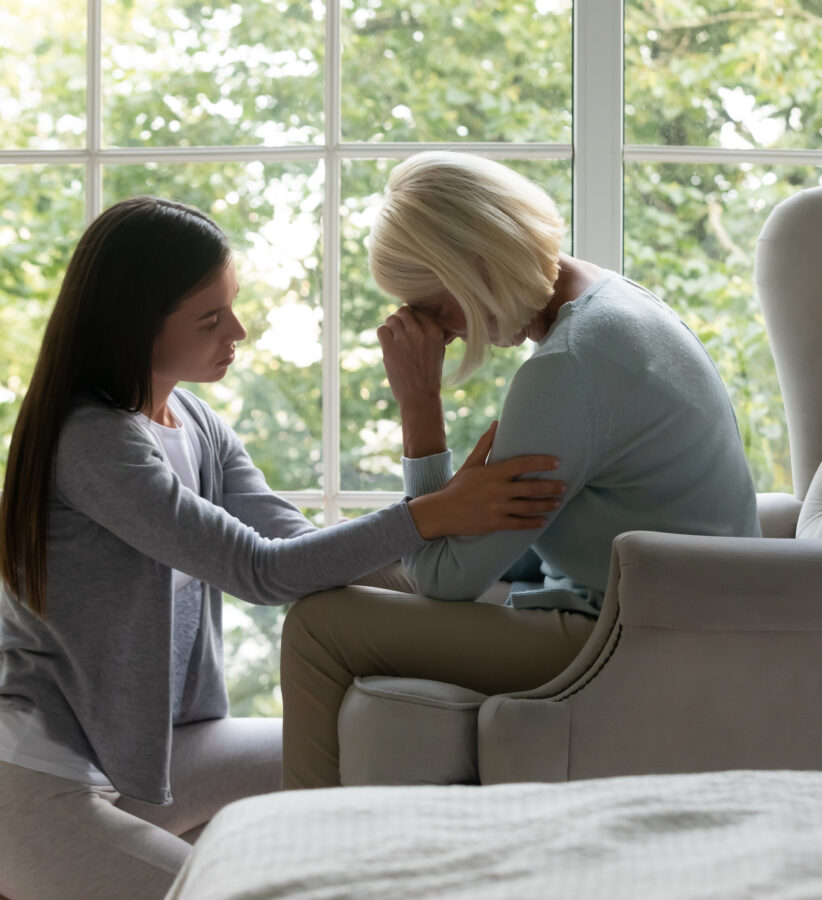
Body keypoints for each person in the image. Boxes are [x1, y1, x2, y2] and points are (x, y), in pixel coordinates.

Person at [0, 195, 567, 900]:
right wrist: (431, 514)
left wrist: (494, 591)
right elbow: (261, 572)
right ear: (133, 327)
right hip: (39, 774)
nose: (236, 330)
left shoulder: (195, 423)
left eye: (230, 305)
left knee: (359, 755)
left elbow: (301, 547)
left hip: (150, 754)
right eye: (209, 319)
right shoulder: (92, 442)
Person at [280, 151, 761, 790]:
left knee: (319, 626)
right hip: (658, 610)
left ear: (474, 268)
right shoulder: (612, 302)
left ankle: (307, 861)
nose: (442, 336)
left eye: (434, 309)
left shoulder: (569, 366)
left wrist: (419, 402)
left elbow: (442, 581)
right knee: (356, 572)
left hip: (634, 636)